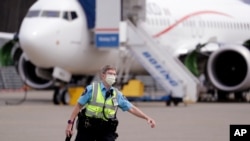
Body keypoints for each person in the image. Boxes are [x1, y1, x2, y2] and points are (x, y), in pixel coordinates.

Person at [65, 65, 156, 141]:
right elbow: (78, 106)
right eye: (110, 74)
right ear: (103, 75)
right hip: (88, 128)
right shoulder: (92, 89)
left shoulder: (117, 94)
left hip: (106, 130)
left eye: (114, 74)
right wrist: (70, 124)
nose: (112, 76)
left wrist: (146, 117)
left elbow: (131, 108)